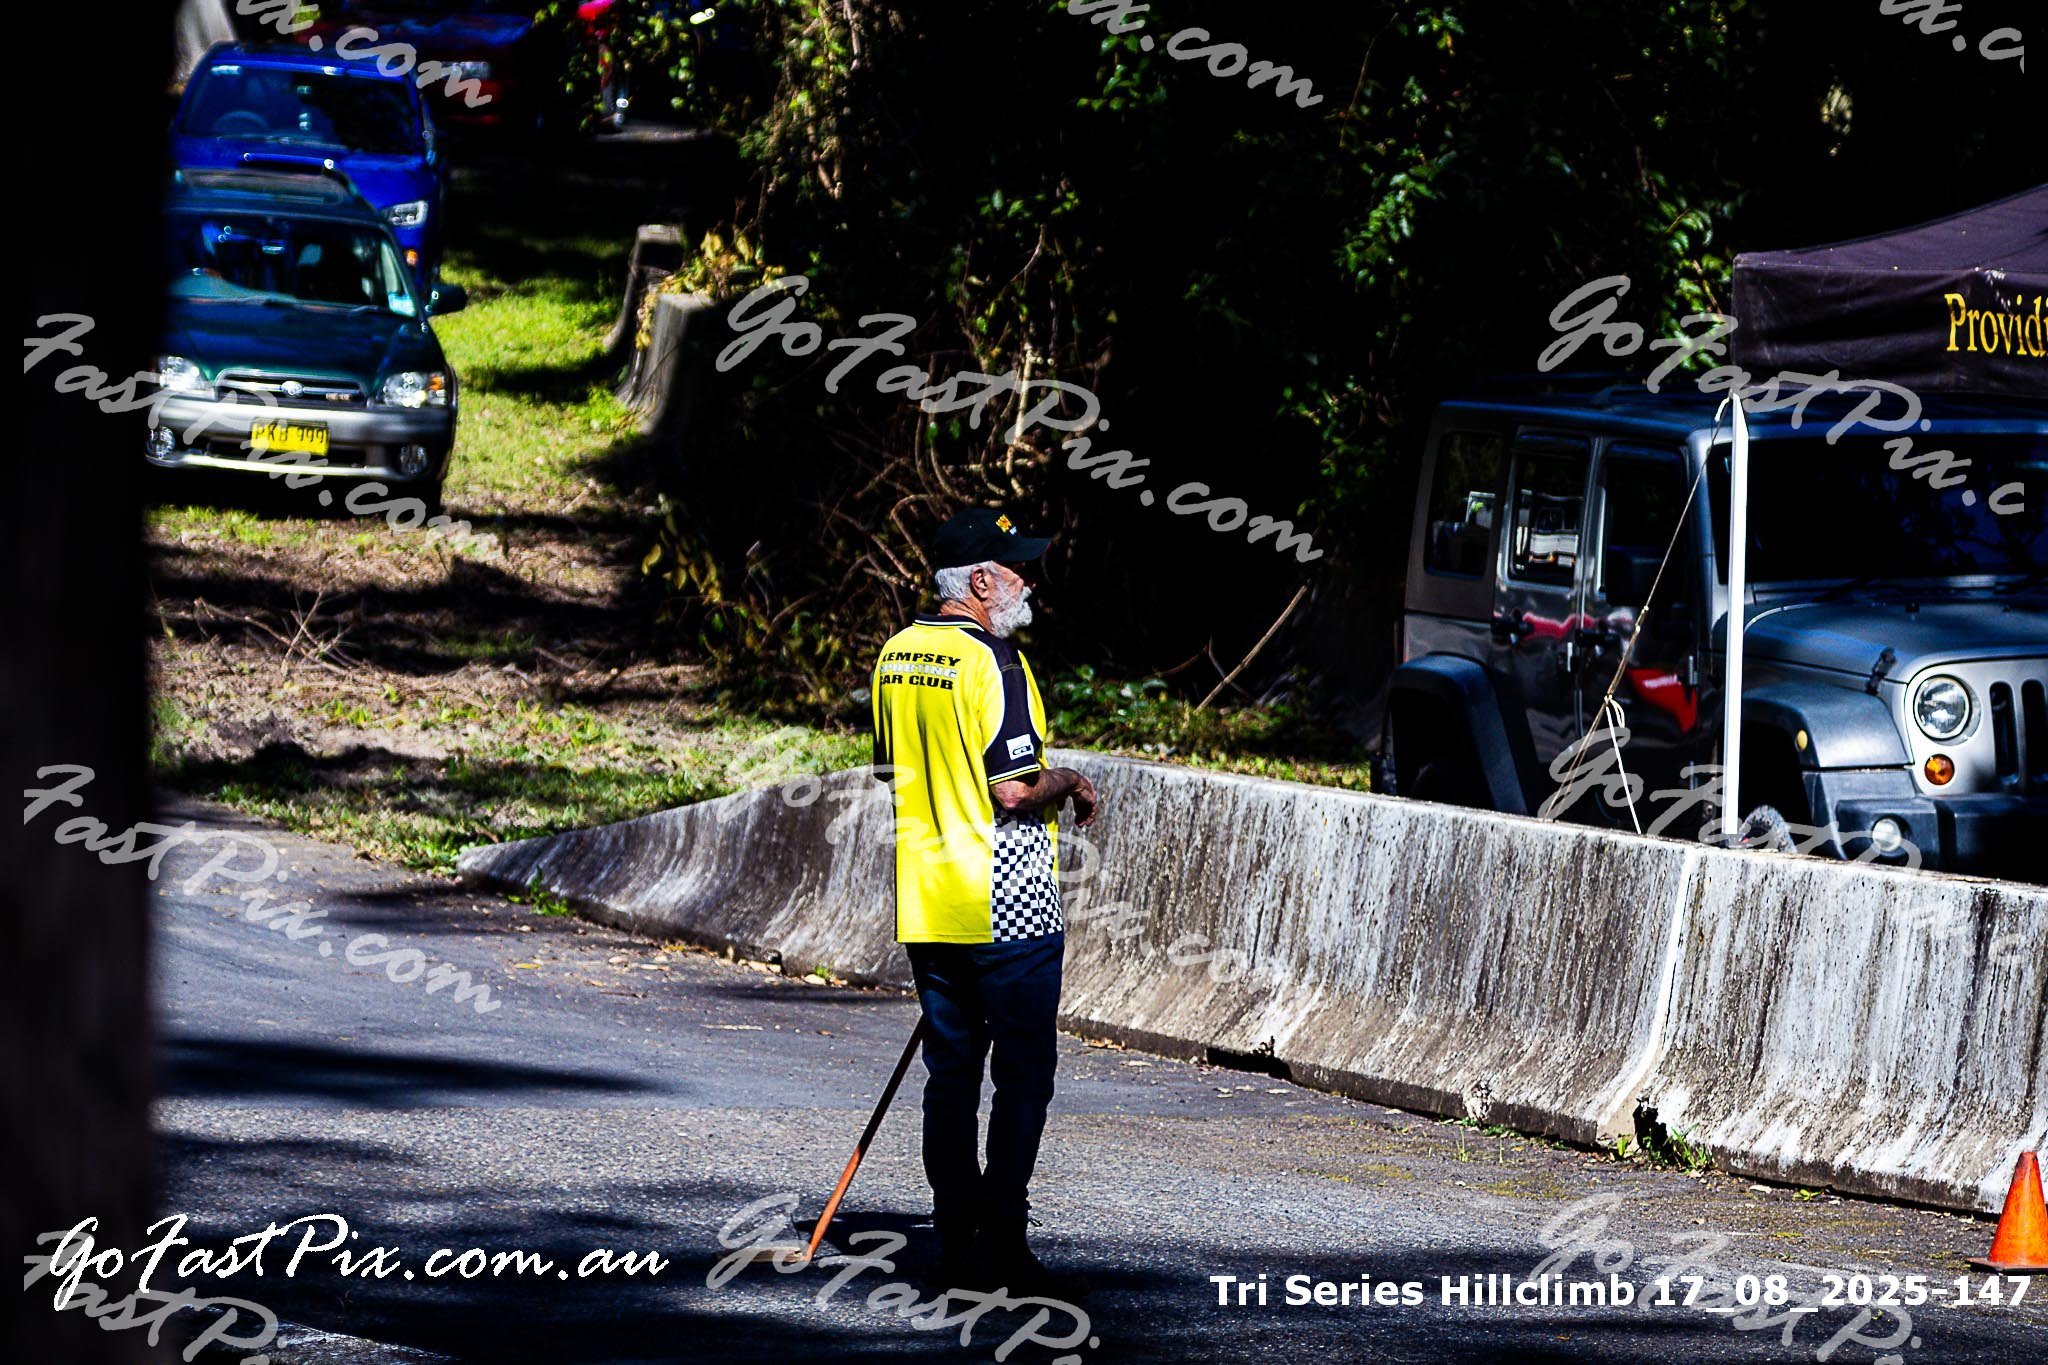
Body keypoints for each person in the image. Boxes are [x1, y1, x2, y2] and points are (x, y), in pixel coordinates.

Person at [869, 507, 1100, 1293]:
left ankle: (954, 1232)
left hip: (929, 899)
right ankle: (1003, 1235)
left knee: (951, 1074)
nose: (1027, 581)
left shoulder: (895, 656)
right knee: (1025, 1073)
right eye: (1016, 569)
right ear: (979, 581)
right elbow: (1012, 791)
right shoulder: (996, 663)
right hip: (1009, 902)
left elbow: (891, 773)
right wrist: (1066, 781)